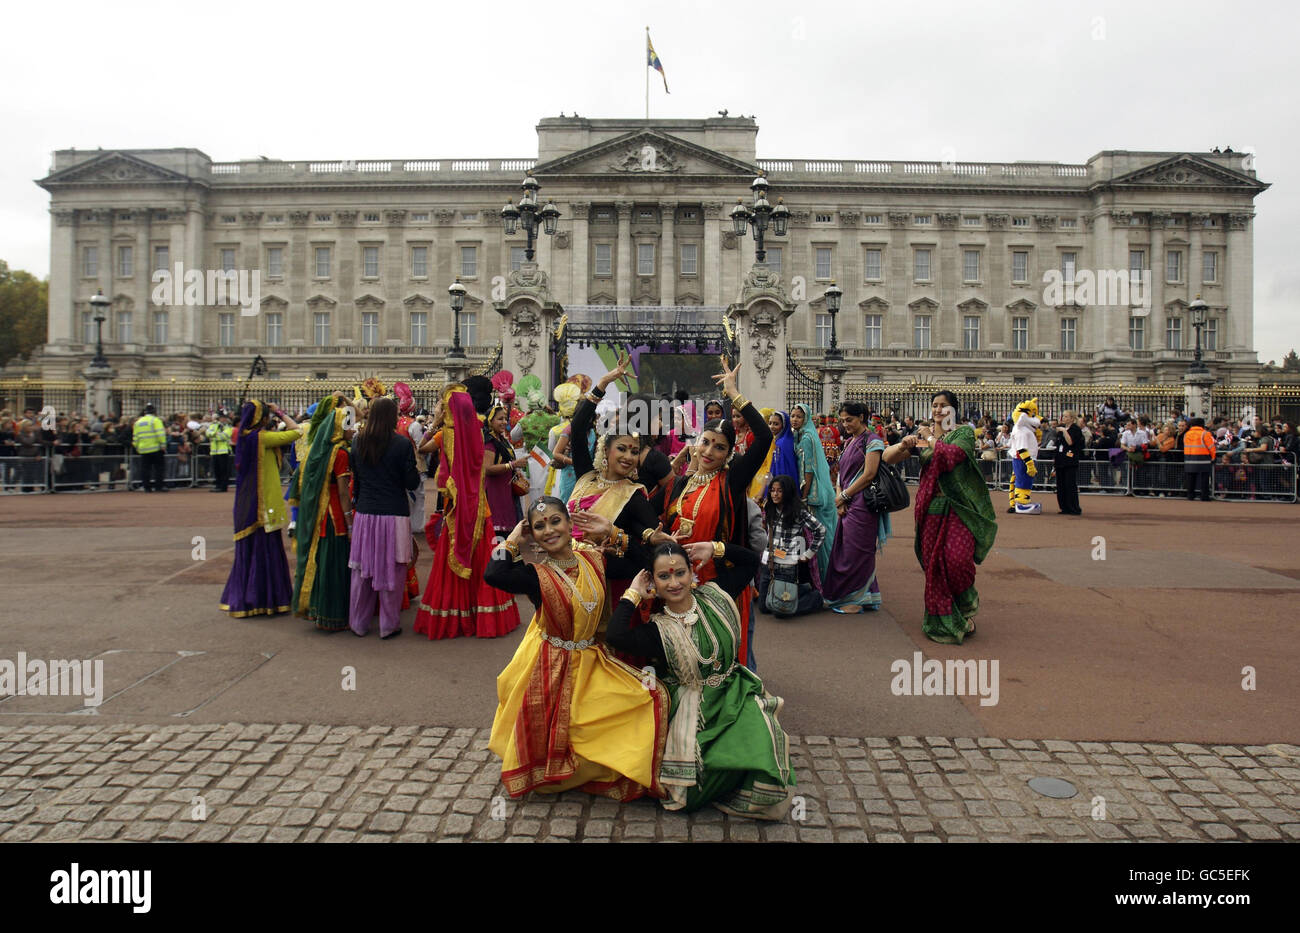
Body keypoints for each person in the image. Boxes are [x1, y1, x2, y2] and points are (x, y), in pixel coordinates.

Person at [485, 498, 669, 800]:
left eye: (556, 520)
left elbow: (644, 560)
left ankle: (599, 765)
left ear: (570, 525)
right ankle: (562, 770)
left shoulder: (594, 559)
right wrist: (514, 540)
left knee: (643, 697)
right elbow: (494, 573)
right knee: (566, 724)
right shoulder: (536, 576)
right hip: (551, 663)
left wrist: (612, 531)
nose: (549, 530)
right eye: (540, 526)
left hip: (590, 658)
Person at [609, 541, 795, 818]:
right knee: (696, 785)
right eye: (664, 576)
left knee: (761, 744)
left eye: (680, 573)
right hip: (695, 708)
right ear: (653, 584)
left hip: (735, 694)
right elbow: (615, 636)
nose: (674, 583)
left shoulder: (716, 595)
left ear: (691, 572)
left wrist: (716, 548)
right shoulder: (658, 631)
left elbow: (751, 561)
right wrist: (633, 594)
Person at [662, 359, 772, 667]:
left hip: (719, 584)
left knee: (721, 660)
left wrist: (734, 393)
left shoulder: (731, 481)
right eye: (706, 443)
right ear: (695, 444)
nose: (709, 452)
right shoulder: (681, 483)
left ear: (729, 454)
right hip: (677, 583)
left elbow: (763, 438)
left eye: (719, 447)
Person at [413, 385, 521, 639]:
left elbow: (429, 457)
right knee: (482, 557)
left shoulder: (447, 434)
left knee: (455, 557)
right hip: (479, 504)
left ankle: (455, 614)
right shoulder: (477, 431)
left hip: (457, 507)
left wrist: (435, 424)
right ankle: (483, 613)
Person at [896, 390, 998, 645]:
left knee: (956, 560)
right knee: (934, 567)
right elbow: (889, 458)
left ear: (954, 410)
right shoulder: (923, 436)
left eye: (944, 406)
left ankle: (963, 605)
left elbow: (950, 457)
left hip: (959, 507)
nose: (939, 410)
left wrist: (930, 437)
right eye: (935, 406)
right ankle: (942, 619)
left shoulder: (962, 433)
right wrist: (903, 444)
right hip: (930, 508)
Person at [347, 396, 420, 638]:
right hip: (394, 513)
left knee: (362, 571)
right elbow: (411, 481)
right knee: (394, 570)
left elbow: (355, 480)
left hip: (365, 513)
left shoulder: (358, 442)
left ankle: (358, 621)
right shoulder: (401, 444)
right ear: (392, 417)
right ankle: (388, 625)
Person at [219, 399, 301, 617]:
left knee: (253, 551)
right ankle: (266, 599)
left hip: (249, 503)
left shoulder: (249, 438)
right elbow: (296, 431)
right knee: (266, 551)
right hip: (264, 504)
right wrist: (280, 412)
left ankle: (251, 599)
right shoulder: (261, 438)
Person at [290, 395, 355, 632]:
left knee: (319, 562)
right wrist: (350, 524)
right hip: (336, 517)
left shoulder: (319, 449)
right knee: (334, 565)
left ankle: (317, 609)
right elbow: (343, 494)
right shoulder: (341, 454)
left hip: (320, 515)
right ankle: (334, 614)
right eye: (349, 426)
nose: (352, 430)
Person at [822, 401, 889, 613]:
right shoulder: (850, 441)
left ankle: (855, 600)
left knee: (857, 551)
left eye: (849, 420)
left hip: (862, 504)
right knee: (844, 549)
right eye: (842, 420)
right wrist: (839, 496)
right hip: (847, 501)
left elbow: (869, 474)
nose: (845, 424)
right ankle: (861, 596)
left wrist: (843, 496)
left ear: (861, 417)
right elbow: (842, 472)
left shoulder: (872, 441)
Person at [758, 475, 826, 617]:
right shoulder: (769, 507)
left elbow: (820, 530)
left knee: (780, 611)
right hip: (768, 564)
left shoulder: (798, 512)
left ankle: (815, 598)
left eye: (779, 491)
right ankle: (800, 590)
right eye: (772, 490)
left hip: (786, 565)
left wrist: (808, 554)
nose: (775, 494)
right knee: (764, 607)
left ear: (787, 492)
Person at [790, 403, 838, 577]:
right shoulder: (800, 434)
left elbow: (808, 469)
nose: (794, 420)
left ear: (806, 419)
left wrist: (804, 495)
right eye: (793, 416)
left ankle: (827, 578)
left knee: (818, 537)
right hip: (809, 490)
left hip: (812, 493)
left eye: (799, 417)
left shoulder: (807, 438)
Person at [484, 402, 528, 541]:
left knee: (507, 536)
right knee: (497, 537)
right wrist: (512, 465)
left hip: (505, 491)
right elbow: (487, 469)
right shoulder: (489, 442)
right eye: (499, 419)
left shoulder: (501, 439)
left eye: (505, 419)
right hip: (494, 493)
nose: (504, 422)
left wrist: (514, 468)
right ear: (490, 421)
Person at [1054, 410, 1084, 515]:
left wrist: (1064, 431)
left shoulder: (1075, 429)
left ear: (1072, 418)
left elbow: (1070, 442)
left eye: (1066, 416)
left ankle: (1073, 507)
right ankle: (1064, 507)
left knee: (1070, 484)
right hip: (1060, 460)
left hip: (1070, 461)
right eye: (1064, 416)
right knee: (1060, 485)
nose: (1064, 418)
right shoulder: (1061, 429)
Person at [133, 403, 167, 492]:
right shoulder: (156, 420)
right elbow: (160, 434)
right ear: (154, 411)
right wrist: (163, 444)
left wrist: (136, 446)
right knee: (158, 469)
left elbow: (135, 436)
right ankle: (158, 487)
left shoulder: (138, 422)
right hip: (156, 448)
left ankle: (146, 487)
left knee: (145, 469)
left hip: (143, 449)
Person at [1182, 416, 1216, 501]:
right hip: (1203, 459)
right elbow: (1211, 447)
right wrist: (1213, 457)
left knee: (1190, 479)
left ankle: (1190, 495)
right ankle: (1204, 496)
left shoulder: (1186, 434)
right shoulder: (1205, 433)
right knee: (1204, 479)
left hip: (1189, 458)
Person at [766, 410, 800, 487]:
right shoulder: (781, 440)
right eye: (770, 423)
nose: (771, 427)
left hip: (783, 484)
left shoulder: (782, 443)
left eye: (776, 424)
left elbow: (783, 468)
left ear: (784, 425)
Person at [206, 412, 233, 492]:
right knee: (216, 469)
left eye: (224, 417)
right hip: (214, 451)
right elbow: (208, 433)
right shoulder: (213, 425)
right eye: (221, 417)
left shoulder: (227, 427)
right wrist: (215, 433)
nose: (223, 419)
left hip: (223, 451)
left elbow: (224, 436)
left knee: (223, 470)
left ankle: (223, 486)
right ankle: (218, 485)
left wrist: (214, 436)